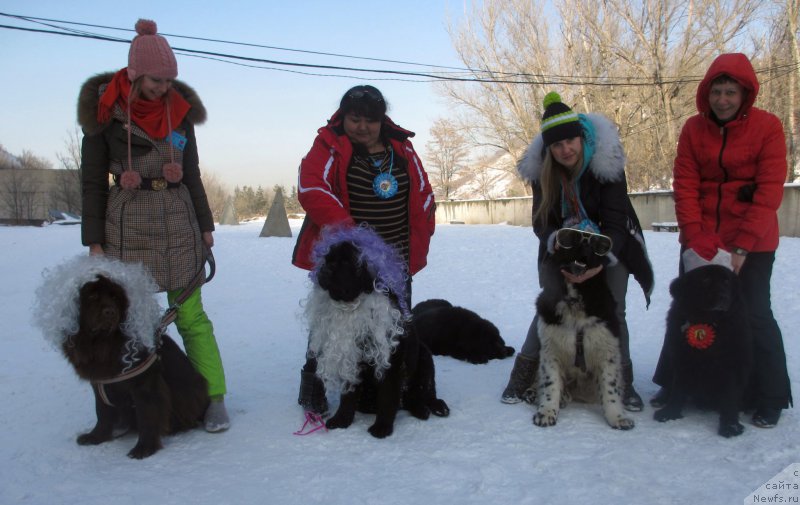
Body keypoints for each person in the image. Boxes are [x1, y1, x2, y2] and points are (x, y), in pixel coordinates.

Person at [78, 19, 229, 432]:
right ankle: (132, 402)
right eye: (156, 80)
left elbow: (192, 173)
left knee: (192, 317)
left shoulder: (179, 112)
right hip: (126, 226)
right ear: (134, 74)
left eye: (169, 80)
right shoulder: (104, 115)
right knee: (133, 321)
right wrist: (94, 239)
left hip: (178, 221)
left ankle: (213, 396)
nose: (164, 88)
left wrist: (204, 224)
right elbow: (92, 181)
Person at [651, 53, 792, 427]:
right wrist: (696, 238)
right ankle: (674, 383)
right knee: (684, 313)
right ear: (706, 93)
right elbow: (685, 184)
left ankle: (770, 396)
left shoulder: (769, 127)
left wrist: (742, 245)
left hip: (753, 241)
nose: (723, 99)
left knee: (755, 313)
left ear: (745, 94)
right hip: (702, 241)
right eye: (717, 91)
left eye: (731, 92)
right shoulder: (693, 130)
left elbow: (768, 191)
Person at [501, 92, 654, 411]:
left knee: (614, 308)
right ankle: (523, 372)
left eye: (570, 141)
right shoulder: (544, 173)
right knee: (551, 300)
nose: (565, 149)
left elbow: (615, 219)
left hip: (613, 242)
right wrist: (557, 241)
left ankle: (621, 383)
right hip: (563, 246)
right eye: (557, 145)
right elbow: (541, 222)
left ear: (581, 137)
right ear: (549, 150)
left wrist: (599, 261)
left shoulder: (606, 164)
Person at [292, 85, 436, 415]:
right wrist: (353, 236)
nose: (362, 127)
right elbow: (310, 187)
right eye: (354, 119)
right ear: (343, 117)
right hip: (348, 261)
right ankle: (312, 385)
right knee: (328, 328)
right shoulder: (328, 144)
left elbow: (424, 192)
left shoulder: (402, 148)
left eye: (370, 120)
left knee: (395, 329)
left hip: (395, 260)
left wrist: (424, 230)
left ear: (382, 119)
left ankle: (391, 386)